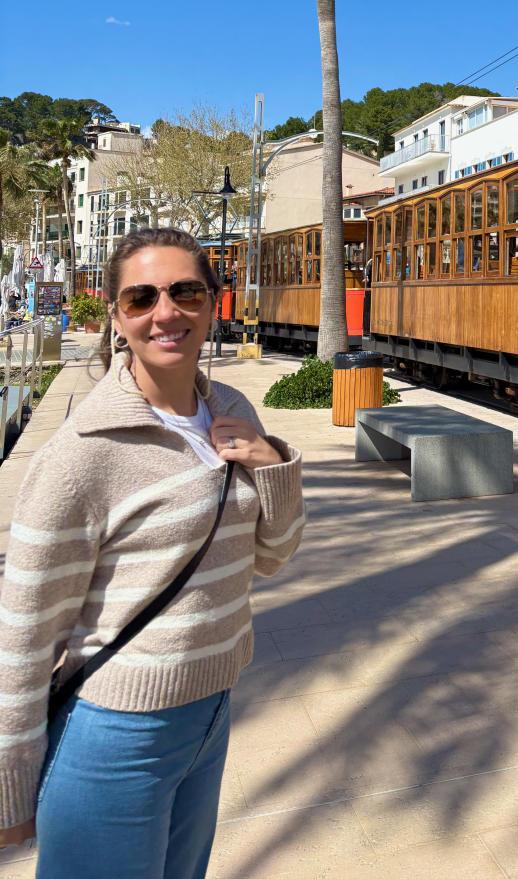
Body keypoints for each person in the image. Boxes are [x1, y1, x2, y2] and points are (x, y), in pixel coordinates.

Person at [0, 227, 305, 879]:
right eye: (141, 298)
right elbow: (24, 633)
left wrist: (274, 461)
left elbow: (273, 556)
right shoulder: (83, 453)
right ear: (116, 314)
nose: (166, 312)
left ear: (213, 302)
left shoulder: (231, 408)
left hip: (211, 711)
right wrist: (10, 787)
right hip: (116, 734)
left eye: (185, 291)